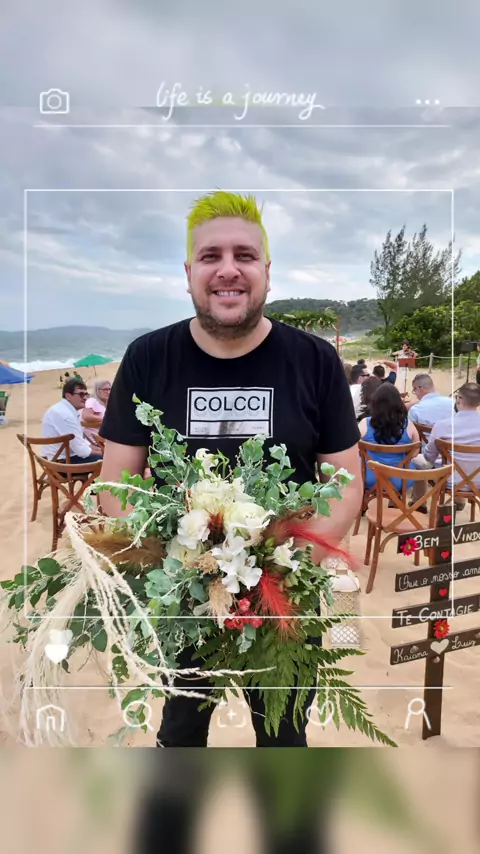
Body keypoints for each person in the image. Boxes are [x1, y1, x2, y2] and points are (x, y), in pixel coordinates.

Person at [98, 190, 362, 748]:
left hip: (285, 597)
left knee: (284, 736)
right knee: (181, 732)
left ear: (267, 270)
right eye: (210, 256)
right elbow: (116, 485)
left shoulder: (315, 360)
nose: (228, 270)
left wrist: (283, 568)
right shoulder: (147, 357)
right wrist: (185, 568)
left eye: (245, 255)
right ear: (188, 273)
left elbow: (345, 481)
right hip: (184, 597)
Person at [413, 382, 480, 507]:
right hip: (478, 482)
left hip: (449, 481)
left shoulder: (443, 426)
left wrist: (442, 455)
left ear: (458, 399)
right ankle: (458, 501)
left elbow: (429, 457)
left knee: (418, 461)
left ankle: (418, 504)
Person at [358, 383, 420, 492]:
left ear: (375, 403)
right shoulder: (408, 425)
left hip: (369, 476)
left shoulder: (364, 423)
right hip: (401, 478)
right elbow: (415, 451)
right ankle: (396, 501)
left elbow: (355, 449)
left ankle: (363, 500)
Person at [42, 378, 103, 463]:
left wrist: (103, 451)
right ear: (68, 396)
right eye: (81, 394)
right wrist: (106, 454)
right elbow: (83, 451)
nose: (85, 398)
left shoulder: (62, 409)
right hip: (63, 462)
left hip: (58, 459)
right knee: (113, 460)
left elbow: (82, 444)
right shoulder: (65, 414)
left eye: (86, 394)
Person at [82, 379, 111, 445]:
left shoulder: (102, 403)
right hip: (97, 441)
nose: (108, 392)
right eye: (105, 389)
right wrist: (107, 419)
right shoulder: (92, 401)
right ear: (97, 390)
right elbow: (86, 416)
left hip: (103, 439)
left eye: (110, 389)